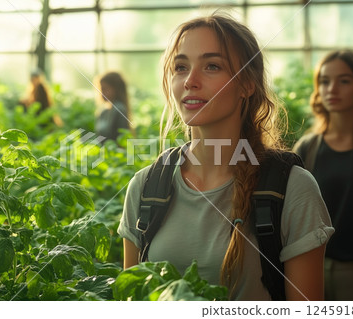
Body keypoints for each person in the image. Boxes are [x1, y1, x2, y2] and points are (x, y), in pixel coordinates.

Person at [118, 13, 334, 301]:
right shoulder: (145, 188)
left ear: (247, 85)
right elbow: (130, 299)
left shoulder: (291, 188)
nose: (190, 81)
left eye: (212, 66)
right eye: (180, 67)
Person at [293, 50, 353, 301]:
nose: (332, 88)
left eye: (344, 80)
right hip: (311, 269)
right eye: (324, 81)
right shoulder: (307, 147)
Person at [95, 71, 131, 141]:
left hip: (115, 151)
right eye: (101, 89)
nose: (102, 93)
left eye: (105, 89)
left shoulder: (119, 108)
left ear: (116, 89)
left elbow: (122, 139)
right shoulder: (104, 111)